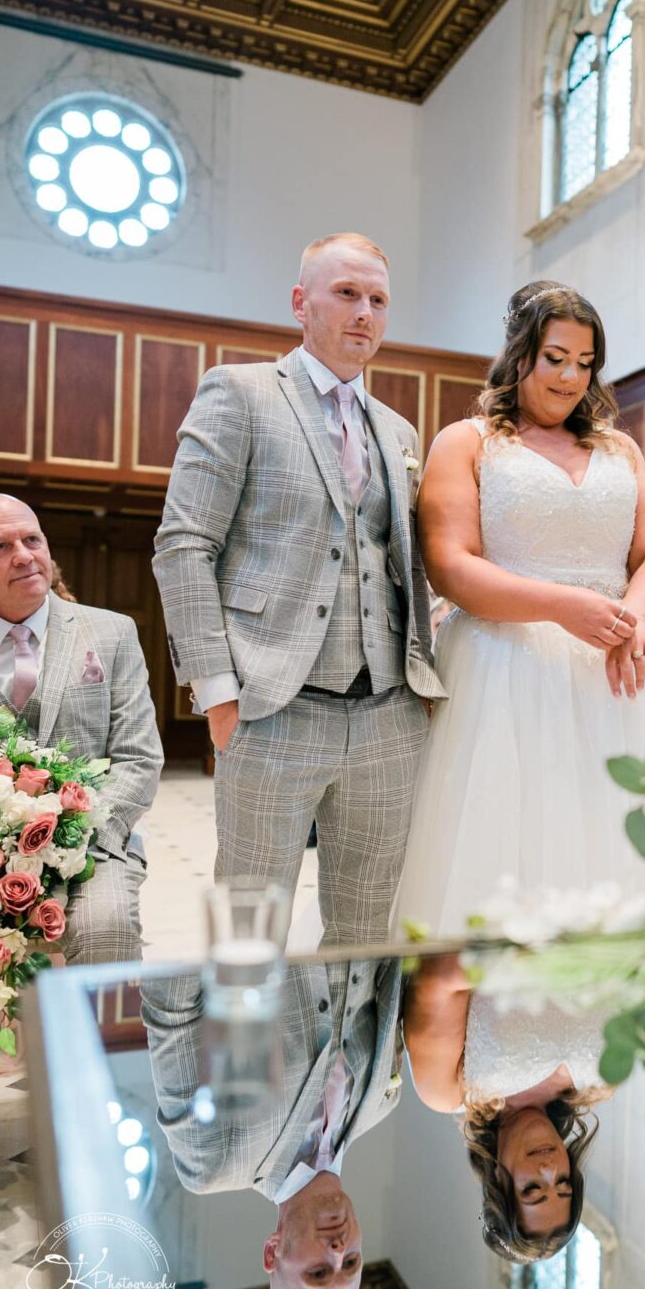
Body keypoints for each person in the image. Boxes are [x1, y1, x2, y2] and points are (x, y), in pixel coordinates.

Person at [153, 233, 443, 946]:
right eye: (347, 293)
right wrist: (217, 693)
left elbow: (407, 562)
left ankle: (349, 1063)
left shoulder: (398, 428)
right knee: (249, 927)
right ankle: (244, 1062)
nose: (364, 313)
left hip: (386, 717)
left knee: (365, 927)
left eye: (378, 299)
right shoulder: (240, 392)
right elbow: (183, 544)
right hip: (271, 706)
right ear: (300, 302)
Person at [392, 281, 645, 941]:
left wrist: (634, 620)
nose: (571, 377)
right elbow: (451, 563)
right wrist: (564, 608)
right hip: (505, 668)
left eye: (585, 362)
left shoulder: (622, 450)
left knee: (615, 834)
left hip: (616, 676)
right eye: (556, 357)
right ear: (519, 354)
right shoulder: (468, 442)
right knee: (509, 837)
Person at [141, 956, 403, 1289]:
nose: (338, 1250)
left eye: (317, 1273)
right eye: (351, 1263)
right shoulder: (381, 1103)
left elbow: (171, 1013)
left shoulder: (211, 1165)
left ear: (272, 1251)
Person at [0, 494, 162, 962]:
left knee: (108, 926)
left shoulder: (112, 633)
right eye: (0, 546)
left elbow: (139, 757)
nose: (24, 555)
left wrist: (66, 842)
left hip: (90, 847)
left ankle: (97, 1037)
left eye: (32, 539)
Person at [403, 955, 612, 1261]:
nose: (550, 1168)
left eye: (533, 1189)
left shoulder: (447, 1090)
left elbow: (437, 977)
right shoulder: (601, 1081)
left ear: (500, 1181)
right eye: (563, 1183)